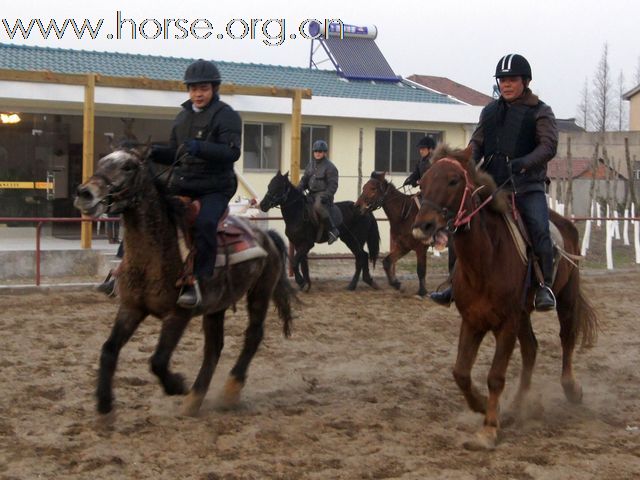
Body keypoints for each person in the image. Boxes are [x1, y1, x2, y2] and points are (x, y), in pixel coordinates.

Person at [431, 53, 558, 311]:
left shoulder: (540, 111)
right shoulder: (489, 111)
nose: (506, 84)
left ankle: (545, 287)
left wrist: (523, 163)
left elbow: (548, 146)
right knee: (461, 225)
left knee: (539, 229)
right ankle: (453, 284)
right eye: (502, 80)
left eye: (511, 79)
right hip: (492, 185)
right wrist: (465, 163)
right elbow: (477, 142)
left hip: (526, 186)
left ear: (525, 81)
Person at [149, 58, 242, 308]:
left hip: (215, 186)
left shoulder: (227, 116)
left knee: (204, 222)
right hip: (184, 183)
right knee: (149, 211)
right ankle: (124, 267)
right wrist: (154, 152)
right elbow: (176, 153)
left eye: (203, 89)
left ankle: (200, 279)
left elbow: (232, 153)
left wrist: (200, 147)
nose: (197, 94)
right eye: (193, 89)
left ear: (214, 89)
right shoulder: (181, 118)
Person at [297, 140, 340, 244]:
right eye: (315, 151)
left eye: (320, 151)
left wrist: (327, 195)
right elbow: (305, 180)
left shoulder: (331, 167)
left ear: (325, 152)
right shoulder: (310, 165)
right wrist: (298, 189)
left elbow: (333, 185)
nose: (317, 153)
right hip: (311, 193)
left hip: (323, 194)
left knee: (317, 206)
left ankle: (333, 230)